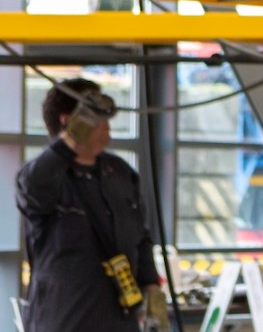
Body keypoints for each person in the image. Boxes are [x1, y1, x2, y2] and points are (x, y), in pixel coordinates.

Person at [16, 78, 166, 332]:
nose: (106, 126)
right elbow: (31, 189)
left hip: (119, 320)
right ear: (69, 121)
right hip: (64, 321)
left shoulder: (119, 173)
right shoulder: (45, 176)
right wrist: (70, 140)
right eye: (95, 118)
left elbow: (141, 238)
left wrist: (152, 292)